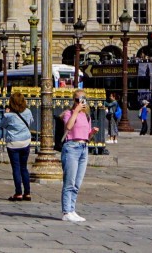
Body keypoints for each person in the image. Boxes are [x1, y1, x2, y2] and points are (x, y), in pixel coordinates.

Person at [58, 94, 93, 223]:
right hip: (71, 147)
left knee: (77, 182)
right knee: (69, 181)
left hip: (83, 147)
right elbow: (68, 127)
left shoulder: (87, 116)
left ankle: (72, 209)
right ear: (74, 100)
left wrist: (92, 133)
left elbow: (87, 135)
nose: (81, 102)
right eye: (78, 99)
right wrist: (76, 111)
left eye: (83, 99)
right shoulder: (68, 113)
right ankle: (66, 211)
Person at [0, 91, 35, 201]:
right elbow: (30, 122)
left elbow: (2, 125)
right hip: (25, 141)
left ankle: (18, 192)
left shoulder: (9, 115)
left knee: (16, 168)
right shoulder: (27, 111)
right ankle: (27, 192)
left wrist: (6, 114)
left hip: (13, 143)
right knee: (24, 167)